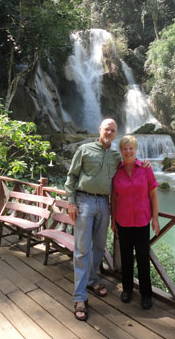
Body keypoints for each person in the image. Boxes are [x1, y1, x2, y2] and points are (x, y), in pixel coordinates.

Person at [65, 118, 121, 321]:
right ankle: (80, 297)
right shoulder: (85, 149)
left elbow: (130, 168)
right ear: (100, 129)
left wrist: (145, 165)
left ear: (116, 134)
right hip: (84, 201)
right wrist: (71, 202)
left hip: (104, 204)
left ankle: (91, 279)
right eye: (107, 129)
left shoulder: (116, 155)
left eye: (113, 131)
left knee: (99, 246)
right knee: (82, 250)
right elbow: (71, 176)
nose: (109, 133)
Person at [111, 135, 160, 310]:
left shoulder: (146, 169)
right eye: (125, 148)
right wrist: (113, 220)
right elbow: (114, 198)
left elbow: (153, 195)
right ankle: (127, 289)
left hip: (141, 221)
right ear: (121, 151)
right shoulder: (117, 170)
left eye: (131, 148)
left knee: (142, 258)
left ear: (136, 150)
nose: (128, 151)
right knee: (125, 257)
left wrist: (155, 218)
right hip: (123, 221)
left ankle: (146, 294)